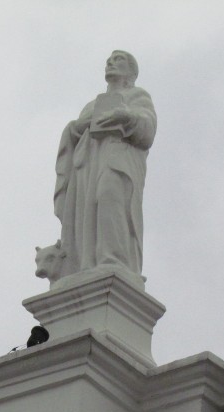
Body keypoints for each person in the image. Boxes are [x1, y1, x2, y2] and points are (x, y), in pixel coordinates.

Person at [54, 50, 156, 280]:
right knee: (87, 209)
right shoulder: (92, 105)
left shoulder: (137, 96)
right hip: (87, 166)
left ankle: (113, 259)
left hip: (117, 160)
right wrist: (76, 127)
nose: (110, 62)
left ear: (131, 71)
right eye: (108, 60)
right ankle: (86, 262)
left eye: (118, 59)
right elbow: (75, 132)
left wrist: (126, 117)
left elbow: (148, 130)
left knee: (109, 195)